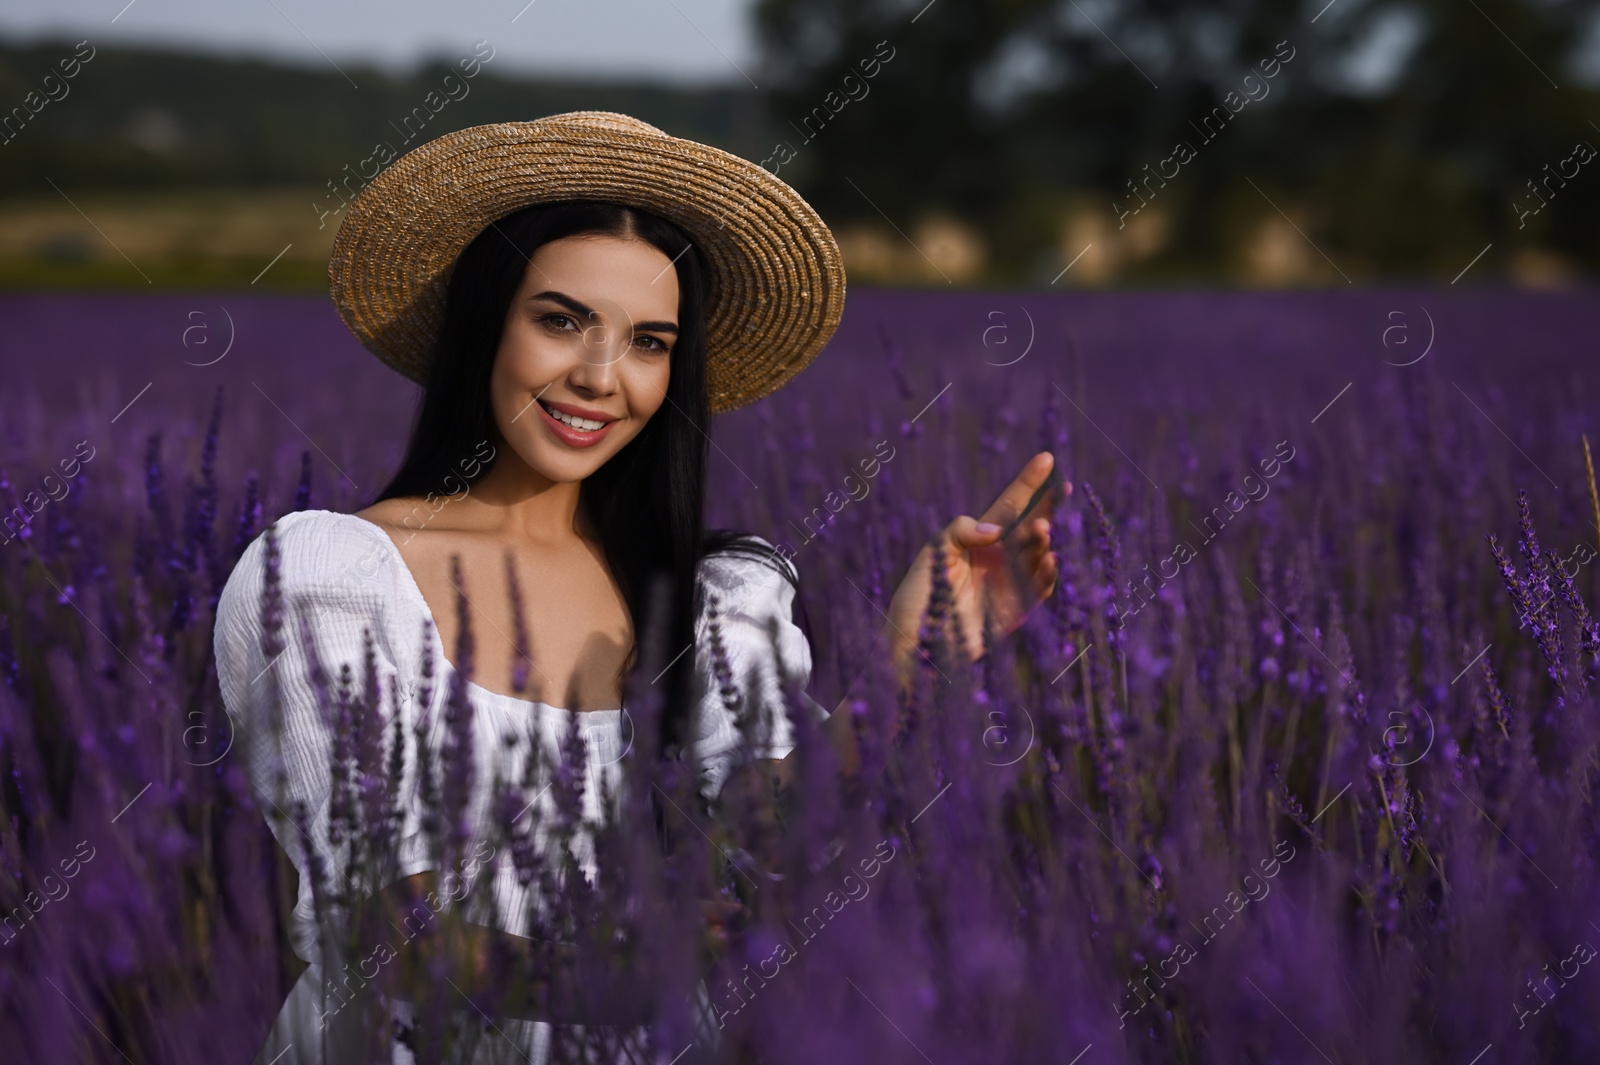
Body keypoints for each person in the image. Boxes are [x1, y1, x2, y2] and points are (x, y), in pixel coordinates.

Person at [213, 111, 1064, 1064]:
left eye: (650, 341)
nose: (599, 376)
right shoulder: (330, 573)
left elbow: (766, 832)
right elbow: (371, 912)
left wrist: (908, 666)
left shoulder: (714, 594)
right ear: (485, 323)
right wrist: (607, 975)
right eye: (561, 320)